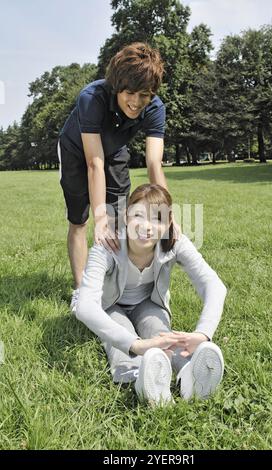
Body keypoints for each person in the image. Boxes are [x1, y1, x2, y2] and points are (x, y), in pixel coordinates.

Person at [75, 184, 227, 405]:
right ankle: (138, 379)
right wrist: (136, 345)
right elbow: (85, 306)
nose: (147, 227)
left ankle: (188, 373)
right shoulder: (108, 244)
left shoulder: (174, 242)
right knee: (123, 334)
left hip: (147, 302)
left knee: (160, 334)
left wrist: (203, 334)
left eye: (157, 218)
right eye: (138, 215)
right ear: (126, 216)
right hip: (108, 305)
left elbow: (213, 284)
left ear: (169, 222)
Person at [57, 42, 176, 313]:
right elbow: (93, 162)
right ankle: (81, 292)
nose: (136, 102)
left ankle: (113, 284)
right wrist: (99, 219)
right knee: (81, 220)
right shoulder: (92, 97)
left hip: (115, 151)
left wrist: (165, 215)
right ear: (117, 86)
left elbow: (154, 162)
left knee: (121, 216)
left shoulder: (156, 108)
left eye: (144, 95)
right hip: (78, 152)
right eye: (130, 93)